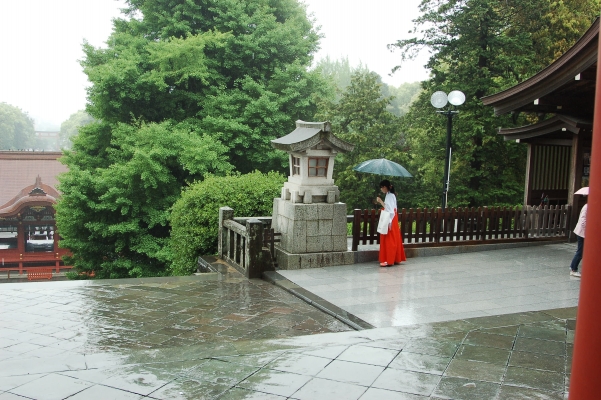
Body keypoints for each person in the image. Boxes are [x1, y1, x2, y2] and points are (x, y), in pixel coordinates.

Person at [376, 180, 406, 267]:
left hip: (390, 219)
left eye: (382, 187)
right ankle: (394, 258)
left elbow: (389, 209)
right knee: (394, 238)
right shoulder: (391, 195)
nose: (381, 189)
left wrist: (380, 201)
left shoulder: (389, 196)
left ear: (385, 187)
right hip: (393, 219)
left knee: (389, 240)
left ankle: (388, 259)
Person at [569, 202, 587, 278]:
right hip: (582, 232)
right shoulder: (587, 207)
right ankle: (573, 270)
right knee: (580, 251)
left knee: (581, 251)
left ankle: (572, 266)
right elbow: (583, 221)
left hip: (583, 232)